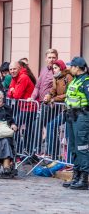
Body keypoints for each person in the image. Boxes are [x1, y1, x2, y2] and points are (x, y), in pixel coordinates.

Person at [62, 57, 89, 190]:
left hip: (82, 116)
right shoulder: (76, 80)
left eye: (71, 66)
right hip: (72, 116)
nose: (70, 68)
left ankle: (84, 179)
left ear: (77, 67)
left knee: (82, 147)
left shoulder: (86, 81)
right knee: (73, 147)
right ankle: (76, 176)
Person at [43, 60, 73, 159]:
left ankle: (68, 161)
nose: (54, 70)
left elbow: (68, 94)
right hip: (64, 110)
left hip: (70, 109)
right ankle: (53, 153)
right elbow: (53, 90)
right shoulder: (56, 78)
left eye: (56, 68)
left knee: (68, 135)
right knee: (50, 125)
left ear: (61, 67)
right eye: (53, 68)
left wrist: (54, 99)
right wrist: (48, 96)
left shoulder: (68, 77)